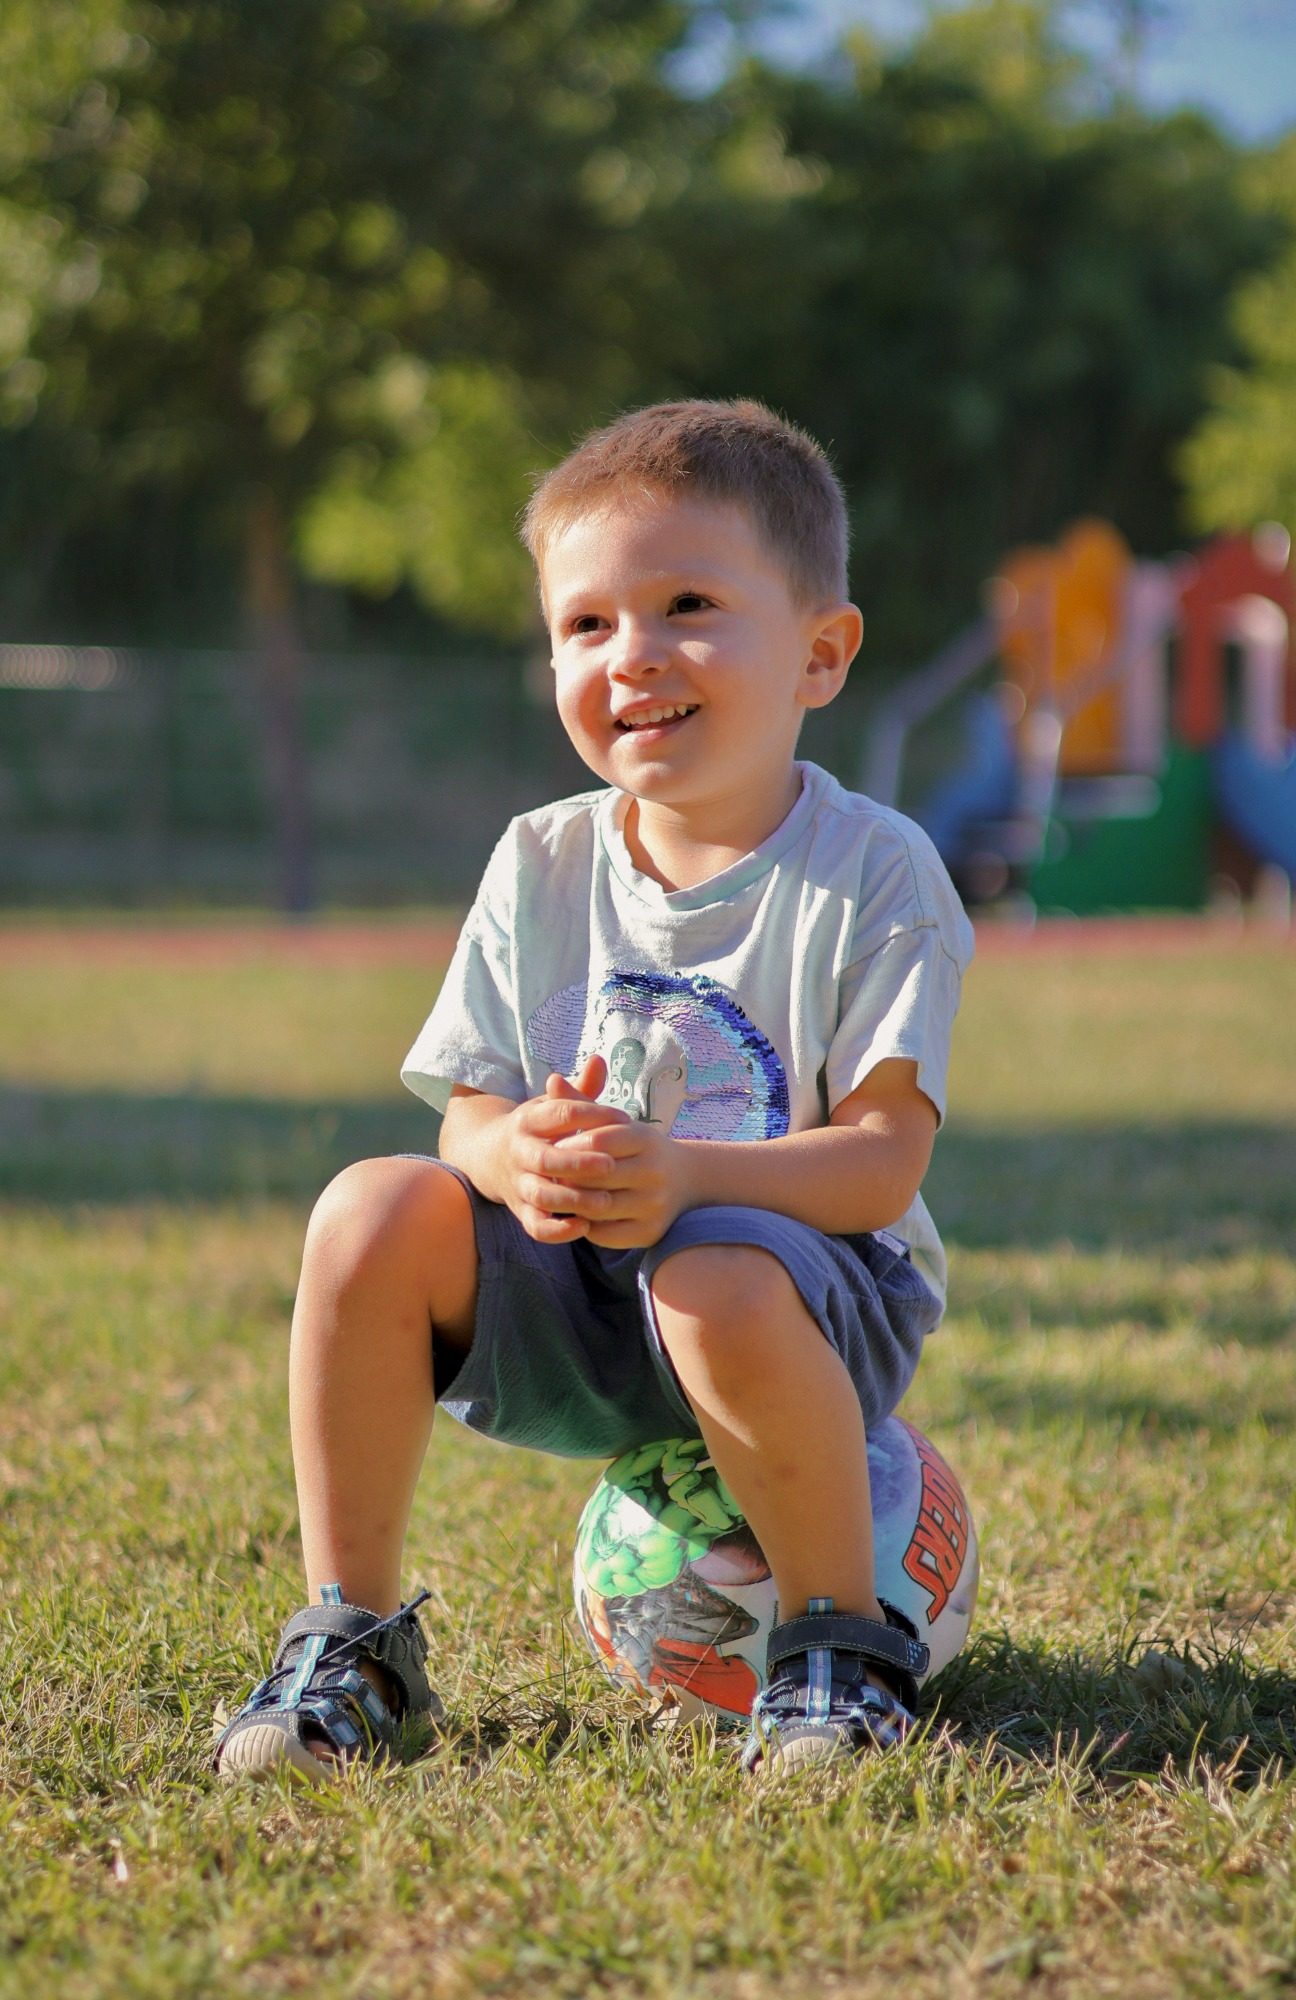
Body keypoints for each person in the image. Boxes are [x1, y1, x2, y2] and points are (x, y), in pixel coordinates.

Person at [213, 398, 974, 1783]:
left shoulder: (872, 873)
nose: (633, 656)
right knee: (368, 1207)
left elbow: (878, 1166)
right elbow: (467, 1110)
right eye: (584, 624)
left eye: (686, 603)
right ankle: (354, 1642)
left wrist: (685, 1178)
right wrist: (516, 1159)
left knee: (712, 1275)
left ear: (820, 653)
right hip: (578, 1290)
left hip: (809, 1300)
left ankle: (837, 1651)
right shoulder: (540, 860)